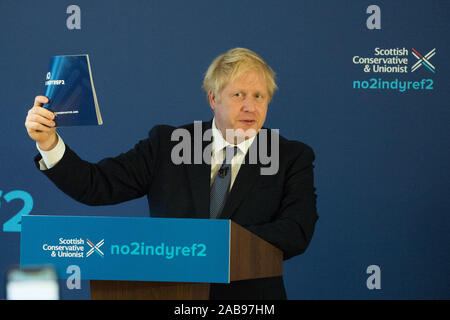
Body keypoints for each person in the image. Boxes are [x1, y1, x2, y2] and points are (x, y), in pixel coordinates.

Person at [25, 47, 318, 299]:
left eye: (259, 96)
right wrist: (48, 143)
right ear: (213, 99)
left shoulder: (290, 156)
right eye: (238, 94)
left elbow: (296, 232)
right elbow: (96, 186)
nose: (249, 106)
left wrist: (210, 246)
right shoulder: (167, 145)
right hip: (170, 294)